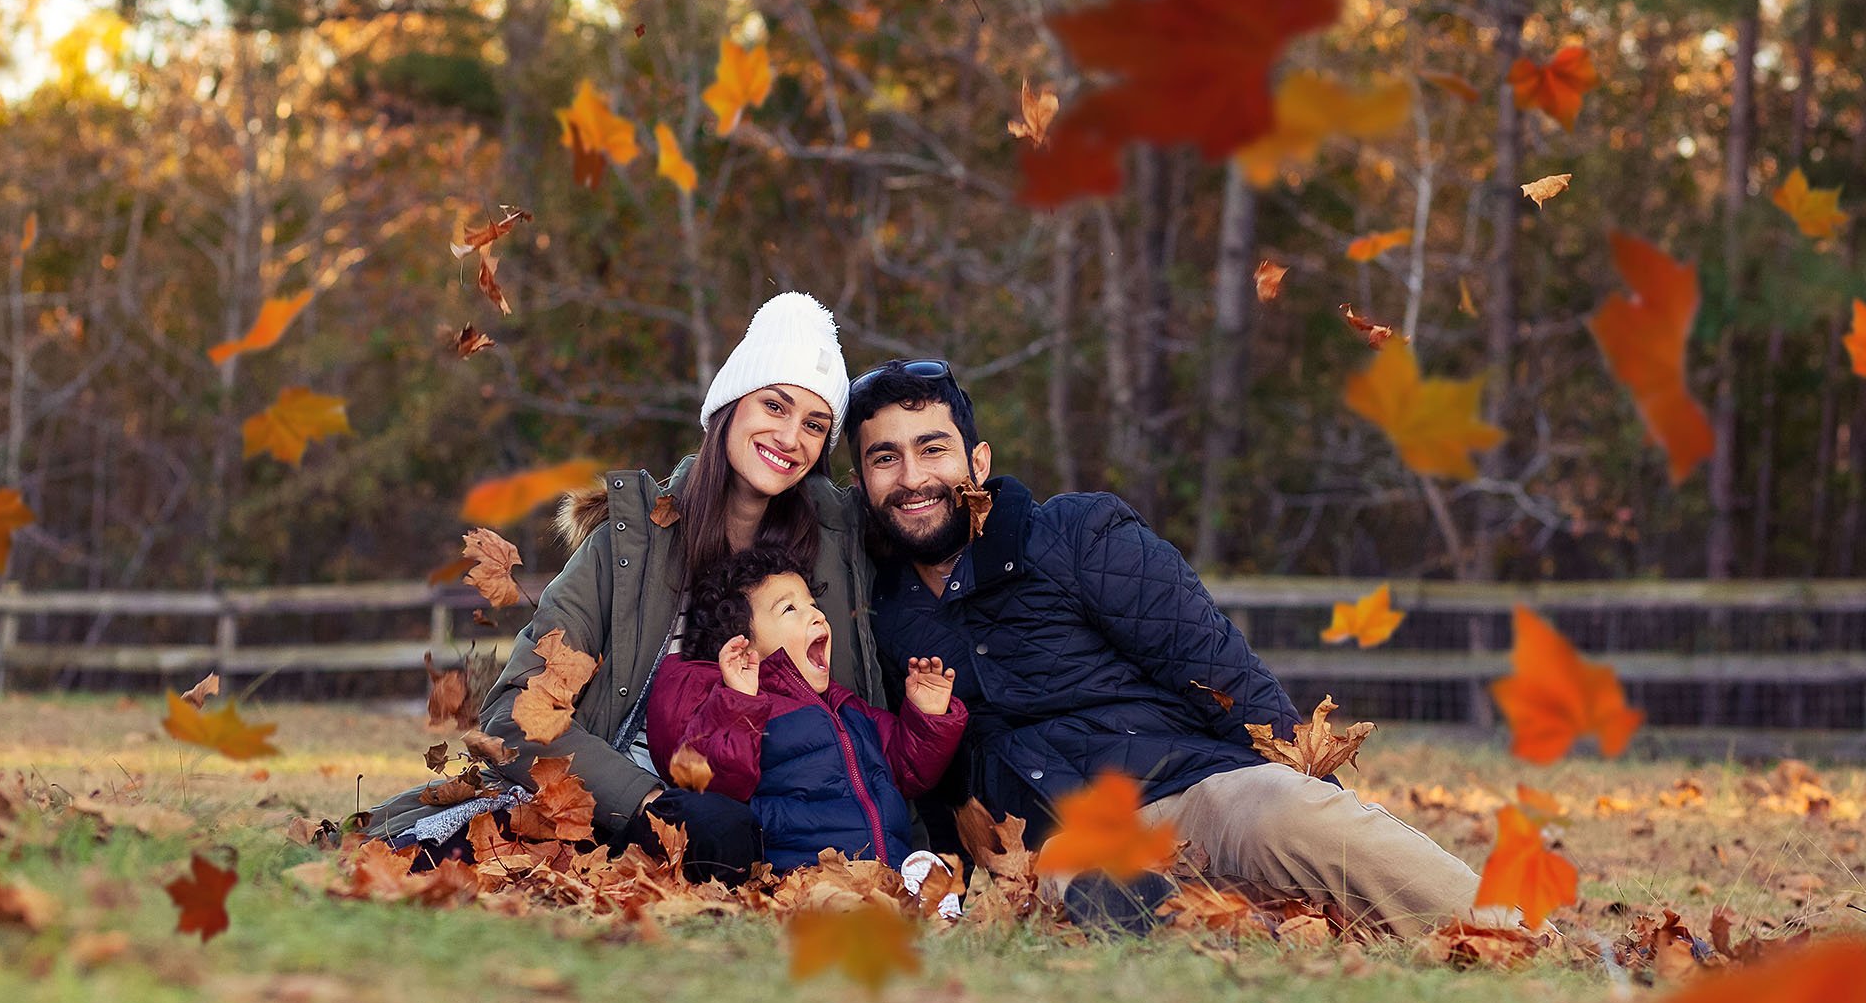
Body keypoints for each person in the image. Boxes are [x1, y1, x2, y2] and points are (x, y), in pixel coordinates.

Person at [843, 358, 1486, 936]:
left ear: (977, 462)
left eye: (933, 449)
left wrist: (1302, 775)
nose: (913, 477)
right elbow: (919, 773)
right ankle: (1228, 929)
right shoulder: (884, 614)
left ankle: (1526, 938)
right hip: (1058, 848)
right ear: (862, 481)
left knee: (1286, 814)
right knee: (1083, 889)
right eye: (885, 458)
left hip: (1189, 791)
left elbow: (1216, 664)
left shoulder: (1074, 535)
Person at [364, 293, 885, 883]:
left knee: (729, 841)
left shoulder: (832, 560)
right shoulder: (631, 545)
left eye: (814, 425)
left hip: (776, 832)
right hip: (618, 805)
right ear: (732, 405)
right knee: (447, 857)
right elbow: (516, 713)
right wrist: (645, 804)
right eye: (775, 405)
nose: (791, 437)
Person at [644, 543, 966, 872]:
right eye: (790, 609)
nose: (817, 615)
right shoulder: (743, 705)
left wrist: (927, 717)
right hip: (801, 878)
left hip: (885, 875)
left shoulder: (848, 708)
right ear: (744, 646)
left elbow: (905, 770)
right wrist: (739, 700)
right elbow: (719, 783)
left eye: (813, 604)